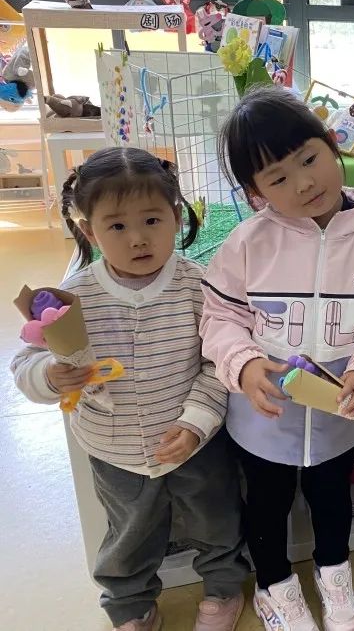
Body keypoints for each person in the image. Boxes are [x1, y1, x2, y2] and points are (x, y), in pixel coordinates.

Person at [200, 85, 354, 631]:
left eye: (308, 159)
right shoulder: (248, 243)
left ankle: (334, 572)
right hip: (265, 417)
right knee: (266, 505)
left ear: (331, 143)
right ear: (255, 193)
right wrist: (243, 364)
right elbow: (218, 317)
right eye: (277, 179)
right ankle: (274, 586)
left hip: (340, 412)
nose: (304, 183)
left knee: (332, 498)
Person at [11, 148, 247, 631]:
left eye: (152, 220)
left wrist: (195, 423)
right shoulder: (71, 298)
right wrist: (49, 376)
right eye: (117, 226)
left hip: (194, 445)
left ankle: (224, 587)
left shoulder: (197, 287)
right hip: (112, 448)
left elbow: (217, 364)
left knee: (216, 520)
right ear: (89, 231)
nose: (138, 238)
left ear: (176, 218)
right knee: (128, 534)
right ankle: (129, 603)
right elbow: (26, 362)